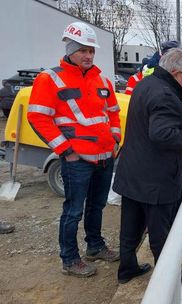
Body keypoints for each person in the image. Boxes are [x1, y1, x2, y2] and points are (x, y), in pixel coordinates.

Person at [27, 22, 121, 278]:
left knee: (97, 205)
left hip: (103, 156)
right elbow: (38, 117)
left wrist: (114, 140)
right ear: (70, 49)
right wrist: (66, 150)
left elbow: (113, 113)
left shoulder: (102, 79)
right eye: (82, 50)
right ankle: (69, 259)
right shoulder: (50, 79)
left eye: (91, 50)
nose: (88, 55)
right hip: (76, 158)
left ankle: (95, 246)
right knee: (73, 210)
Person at [113, 48, 182, 284]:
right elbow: (162, 134)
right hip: (155, 180)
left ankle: (127, 270)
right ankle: (168, 283)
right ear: (175, 72)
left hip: (133, 172)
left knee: (130, 230)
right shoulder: (166, 95)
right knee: (161, 235)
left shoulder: (145, 84)